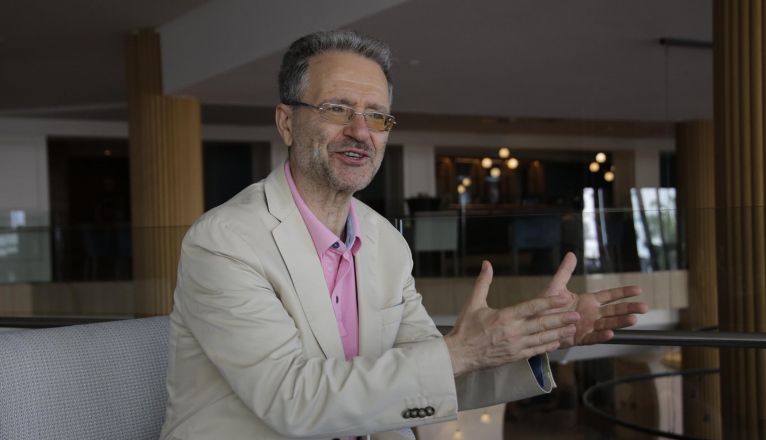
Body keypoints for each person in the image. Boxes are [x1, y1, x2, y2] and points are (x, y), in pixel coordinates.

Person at [159, 30, 647, 440]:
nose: (360, 131)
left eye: (376, 115)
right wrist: (461, 350)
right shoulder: (224, 241)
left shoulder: (385, 242)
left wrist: (536, 340)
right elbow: (293, 400)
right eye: (337, 108)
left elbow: (429, 374)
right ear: (287, 122)